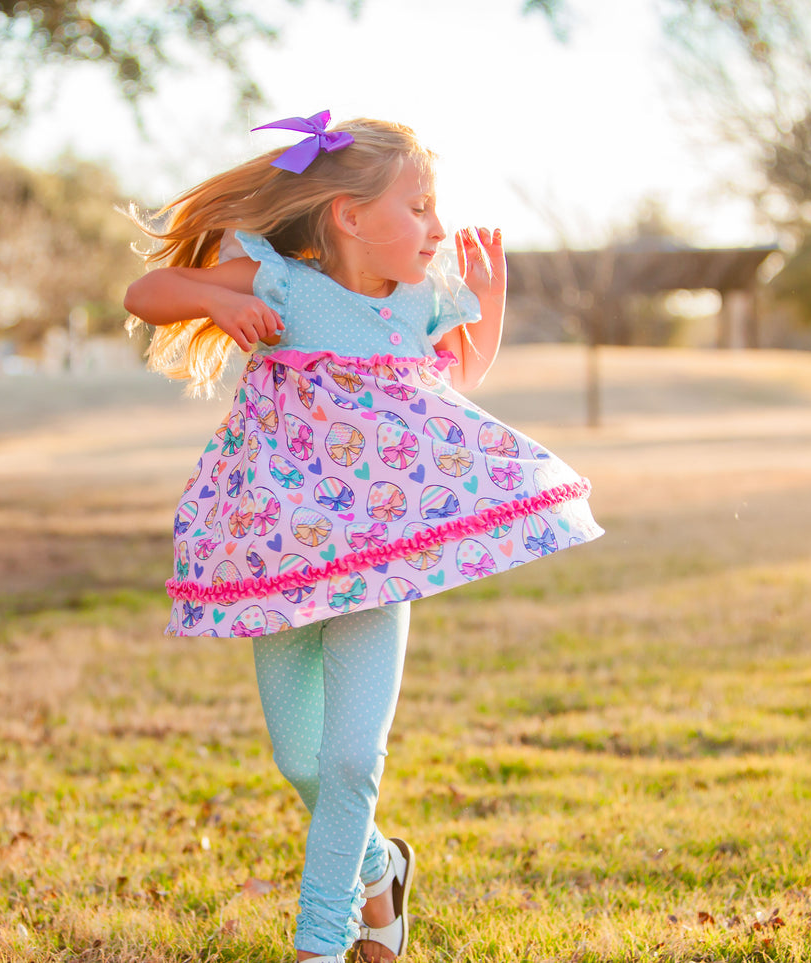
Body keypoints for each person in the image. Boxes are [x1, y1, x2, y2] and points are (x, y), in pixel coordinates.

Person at [124, 111, 603, 963]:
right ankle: (381, 864)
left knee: (351, 759)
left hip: (378, 561)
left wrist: (484, 312)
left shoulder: (424, 299)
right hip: (274, 555)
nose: (438, 227)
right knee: (301, 760)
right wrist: (218, 298)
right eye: (418, 207)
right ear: (348, 215)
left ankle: (322, 940)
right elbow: (144, 296)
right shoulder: (279, 281)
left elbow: (447, 389)